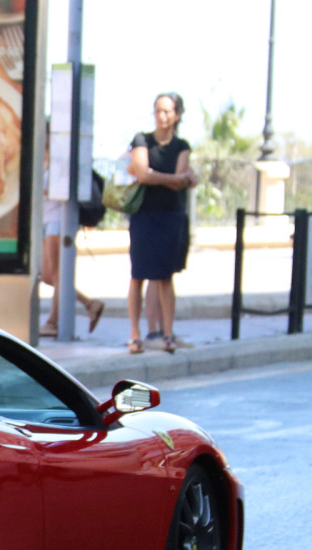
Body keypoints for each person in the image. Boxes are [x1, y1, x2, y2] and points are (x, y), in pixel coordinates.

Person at [125, 92, 197, 354]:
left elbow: (177, 176)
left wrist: (160, 176)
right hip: (144, 215)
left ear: (177, 115)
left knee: (165, 277)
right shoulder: (141, 140)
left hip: (170, 216)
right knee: (138, 275)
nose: (161, 115)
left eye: (167, 111)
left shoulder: (182, 146)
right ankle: (134, 334)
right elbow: (145, 174)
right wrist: (174, 179)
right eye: (158, 110)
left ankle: (168, 333)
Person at [40, 130, 105, 337]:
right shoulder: (45, 161)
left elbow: (57, 190)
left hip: (58, 222)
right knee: (49, 275)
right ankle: (89, 304)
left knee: (58, 274)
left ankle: (53, 321)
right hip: (48, 221)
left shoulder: (61, 162)